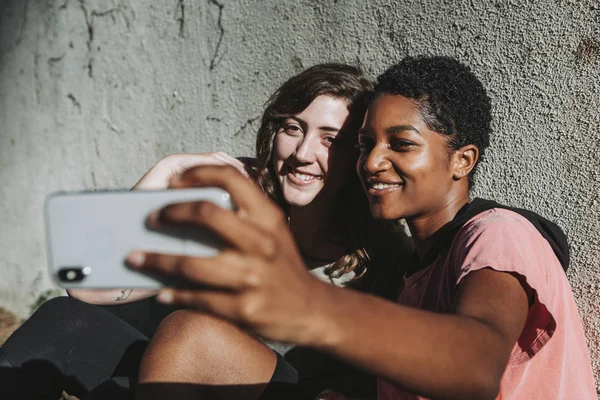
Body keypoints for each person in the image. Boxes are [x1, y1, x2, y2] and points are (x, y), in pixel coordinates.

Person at [128, 56, 597, 399]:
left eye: (401, 144)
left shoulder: (497, 234)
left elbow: (478, 367)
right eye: (366, 143)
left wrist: (311, 306)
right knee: (187, 337)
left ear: (462, 161)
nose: (373, 162)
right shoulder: (415, 266)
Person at [0, 63, 405, 400]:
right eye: (293, 128)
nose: (302, 154)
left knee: (159, 358)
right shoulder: (238, 205)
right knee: (64, 319)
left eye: (330, 140)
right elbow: (87, 286)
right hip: (182, 373)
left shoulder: (379, 251)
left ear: (359, 153)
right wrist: (168, 169)